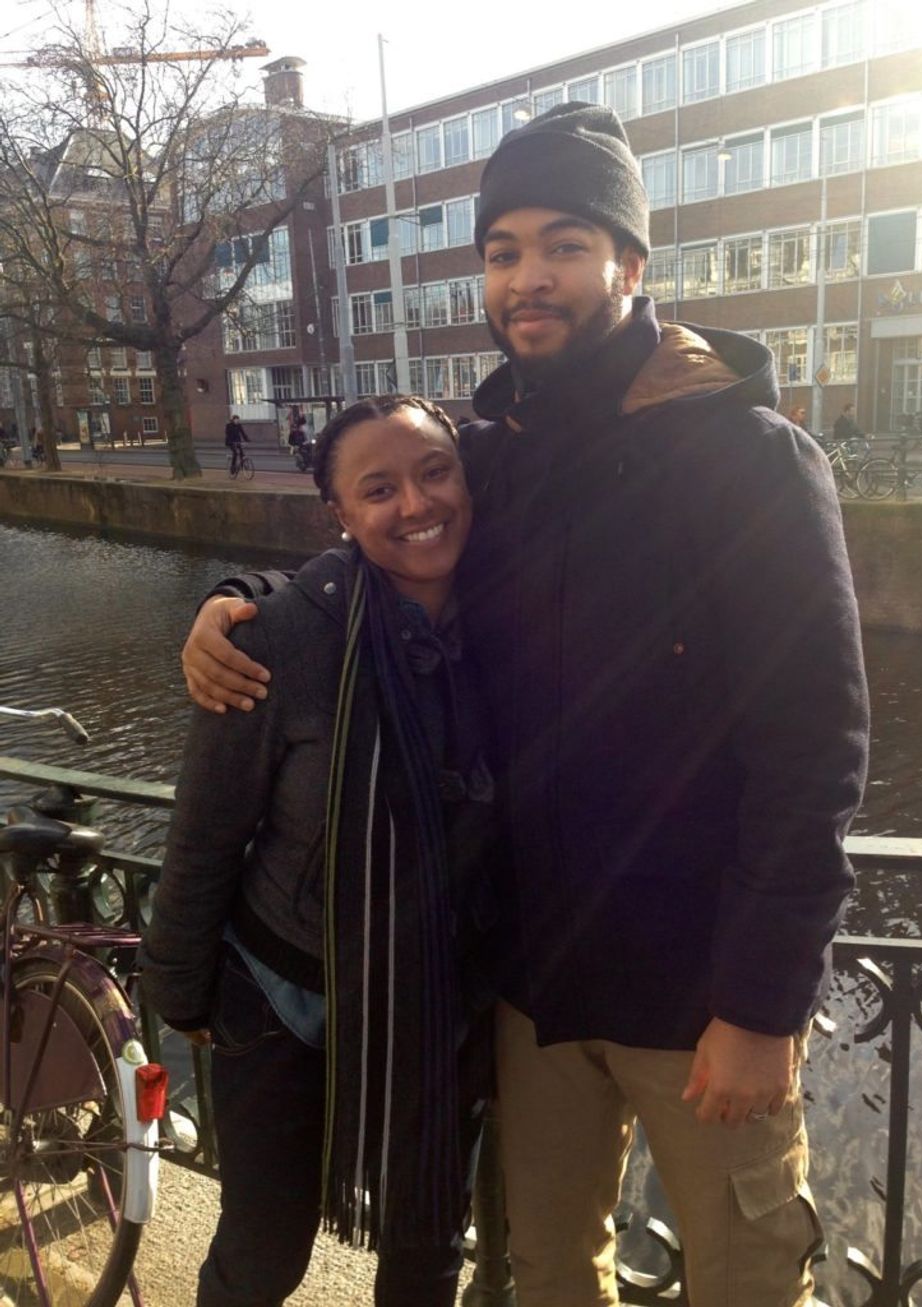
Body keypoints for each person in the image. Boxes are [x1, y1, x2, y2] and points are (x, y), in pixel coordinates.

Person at [180, 102, 869, 1307]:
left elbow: (814, 749)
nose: (526, 276)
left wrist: (762, 1004)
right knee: (547, 1272)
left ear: (628, 264)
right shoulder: (492, 456)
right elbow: (376, 544)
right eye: (502, 251)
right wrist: (240, 602)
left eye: (563, 244)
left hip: (694, 991)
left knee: (746, 1282)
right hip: (531, 987)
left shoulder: (750, 460)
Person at [141, 395, 497, 1307]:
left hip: (439, 1001)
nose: (415, 504)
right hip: (287, 997)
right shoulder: (284, 637)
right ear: (338, 513)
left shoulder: (514, 623)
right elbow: (207, 828)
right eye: (378, 489)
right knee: (264, 1253)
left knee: (427, 1252)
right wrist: (179, 986)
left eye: (435, 472)